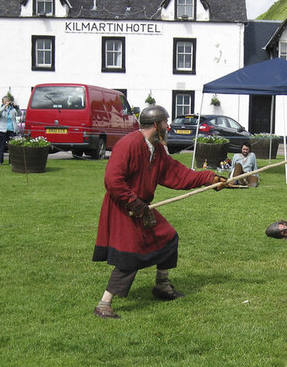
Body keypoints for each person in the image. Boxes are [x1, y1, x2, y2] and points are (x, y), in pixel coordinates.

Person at [92, 104, 228, 319]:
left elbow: (177, 173)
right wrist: (133, 202)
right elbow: (112, 180)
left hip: (142, 207)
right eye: (165, 122)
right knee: (130, 255)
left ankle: (162, 285)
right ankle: (104, 304)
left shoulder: (155, 148)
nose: (168, 126)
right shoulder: (128, 145)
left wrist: (209, 178)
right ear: (156, 124)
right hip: (123, 207)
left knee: (168, 237)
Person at [0, 95, 20, 165]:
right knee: (1, 146)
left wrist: (17, 107)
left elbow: (19, 114)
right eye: (5, 101)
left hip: (12, 129)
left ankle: (11, 162)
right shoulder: (1, 108)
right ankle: (0, 161)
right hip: (2, 130)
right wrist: (4, 107)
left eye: (8, 101)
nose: (7, 102)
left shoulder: (12, 109)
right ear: (3, 102)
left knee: (11, 147)